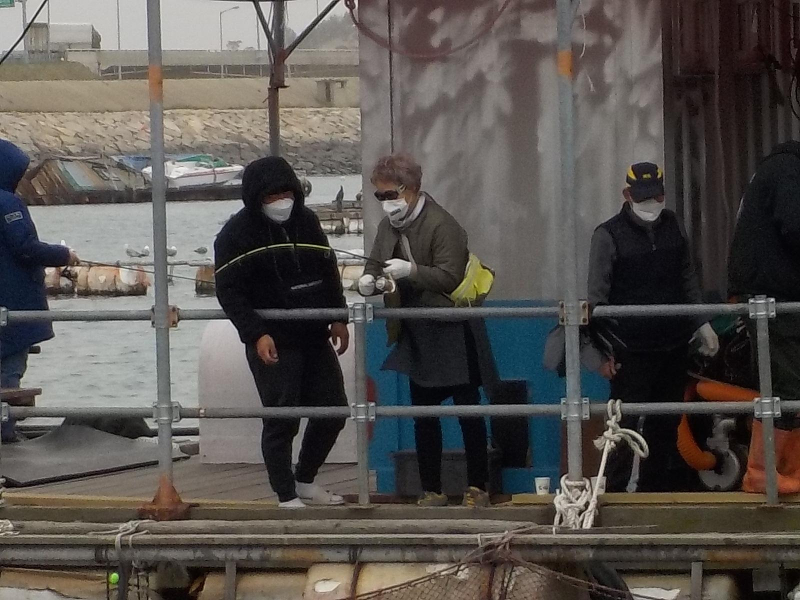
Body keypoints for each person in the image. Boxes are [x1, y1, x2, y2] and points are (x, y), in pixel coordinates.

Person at [358, 153, 498, 508]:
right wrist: (369, 282)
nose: (385, 202)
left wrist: (412, 271)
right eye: (379, 196)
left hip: (454, 329)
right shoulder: (387, 227)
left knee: (468, 411)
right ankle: (431, 490)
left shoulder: (442, 223)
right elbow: (374, 265)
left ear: (411, 188)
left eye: (390, 194)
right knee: (423, 415)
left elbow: (450, 277)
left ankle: (478, 487)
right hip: (417, 331)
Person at [214, 156, 350, 508]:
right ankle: (285, 494)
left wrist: (339, 316)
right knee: (282, 418)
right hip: (272, 338)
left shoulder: (308, 221)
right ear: (256, 198)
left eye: (286, 194)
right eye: (272, 196)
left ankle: (305, 480)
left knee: (334, 410)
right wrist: (255, 333)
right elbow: (229, 292)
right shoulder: (234, 235)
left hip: (315, 334)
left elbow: (328, 269)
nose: (281, 202)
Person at [588, 162, 719, 493]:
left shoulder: (674, 226)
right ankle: (615, 495)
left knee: (666, 424)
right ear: (627, 195)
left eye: (656, 196)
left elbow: (687, 277)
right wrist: (602, 351)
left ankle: (654, 493)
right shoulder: (607, 235)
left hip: (673, 345)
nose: (651, 203)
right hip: (630, 350)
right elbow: (597, 300)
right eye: (643, 197)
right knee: (624, 425)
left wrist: (701, 322)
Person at [728, 141, 800, 495]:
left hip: (774, 295)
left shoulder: (776, 170)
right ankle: (761, 472)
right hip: (772, 298)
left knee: (790, 383)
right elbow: (795, 227)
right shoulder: (789, 169)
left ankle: (788, 470)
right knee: (785, 385)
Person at [0, 139, 79, 443]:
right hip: (13, 300)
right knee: (10, 367)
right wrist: (63, 255)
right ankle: (5, 430)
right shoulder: (8, 204)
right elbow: (25, 247)